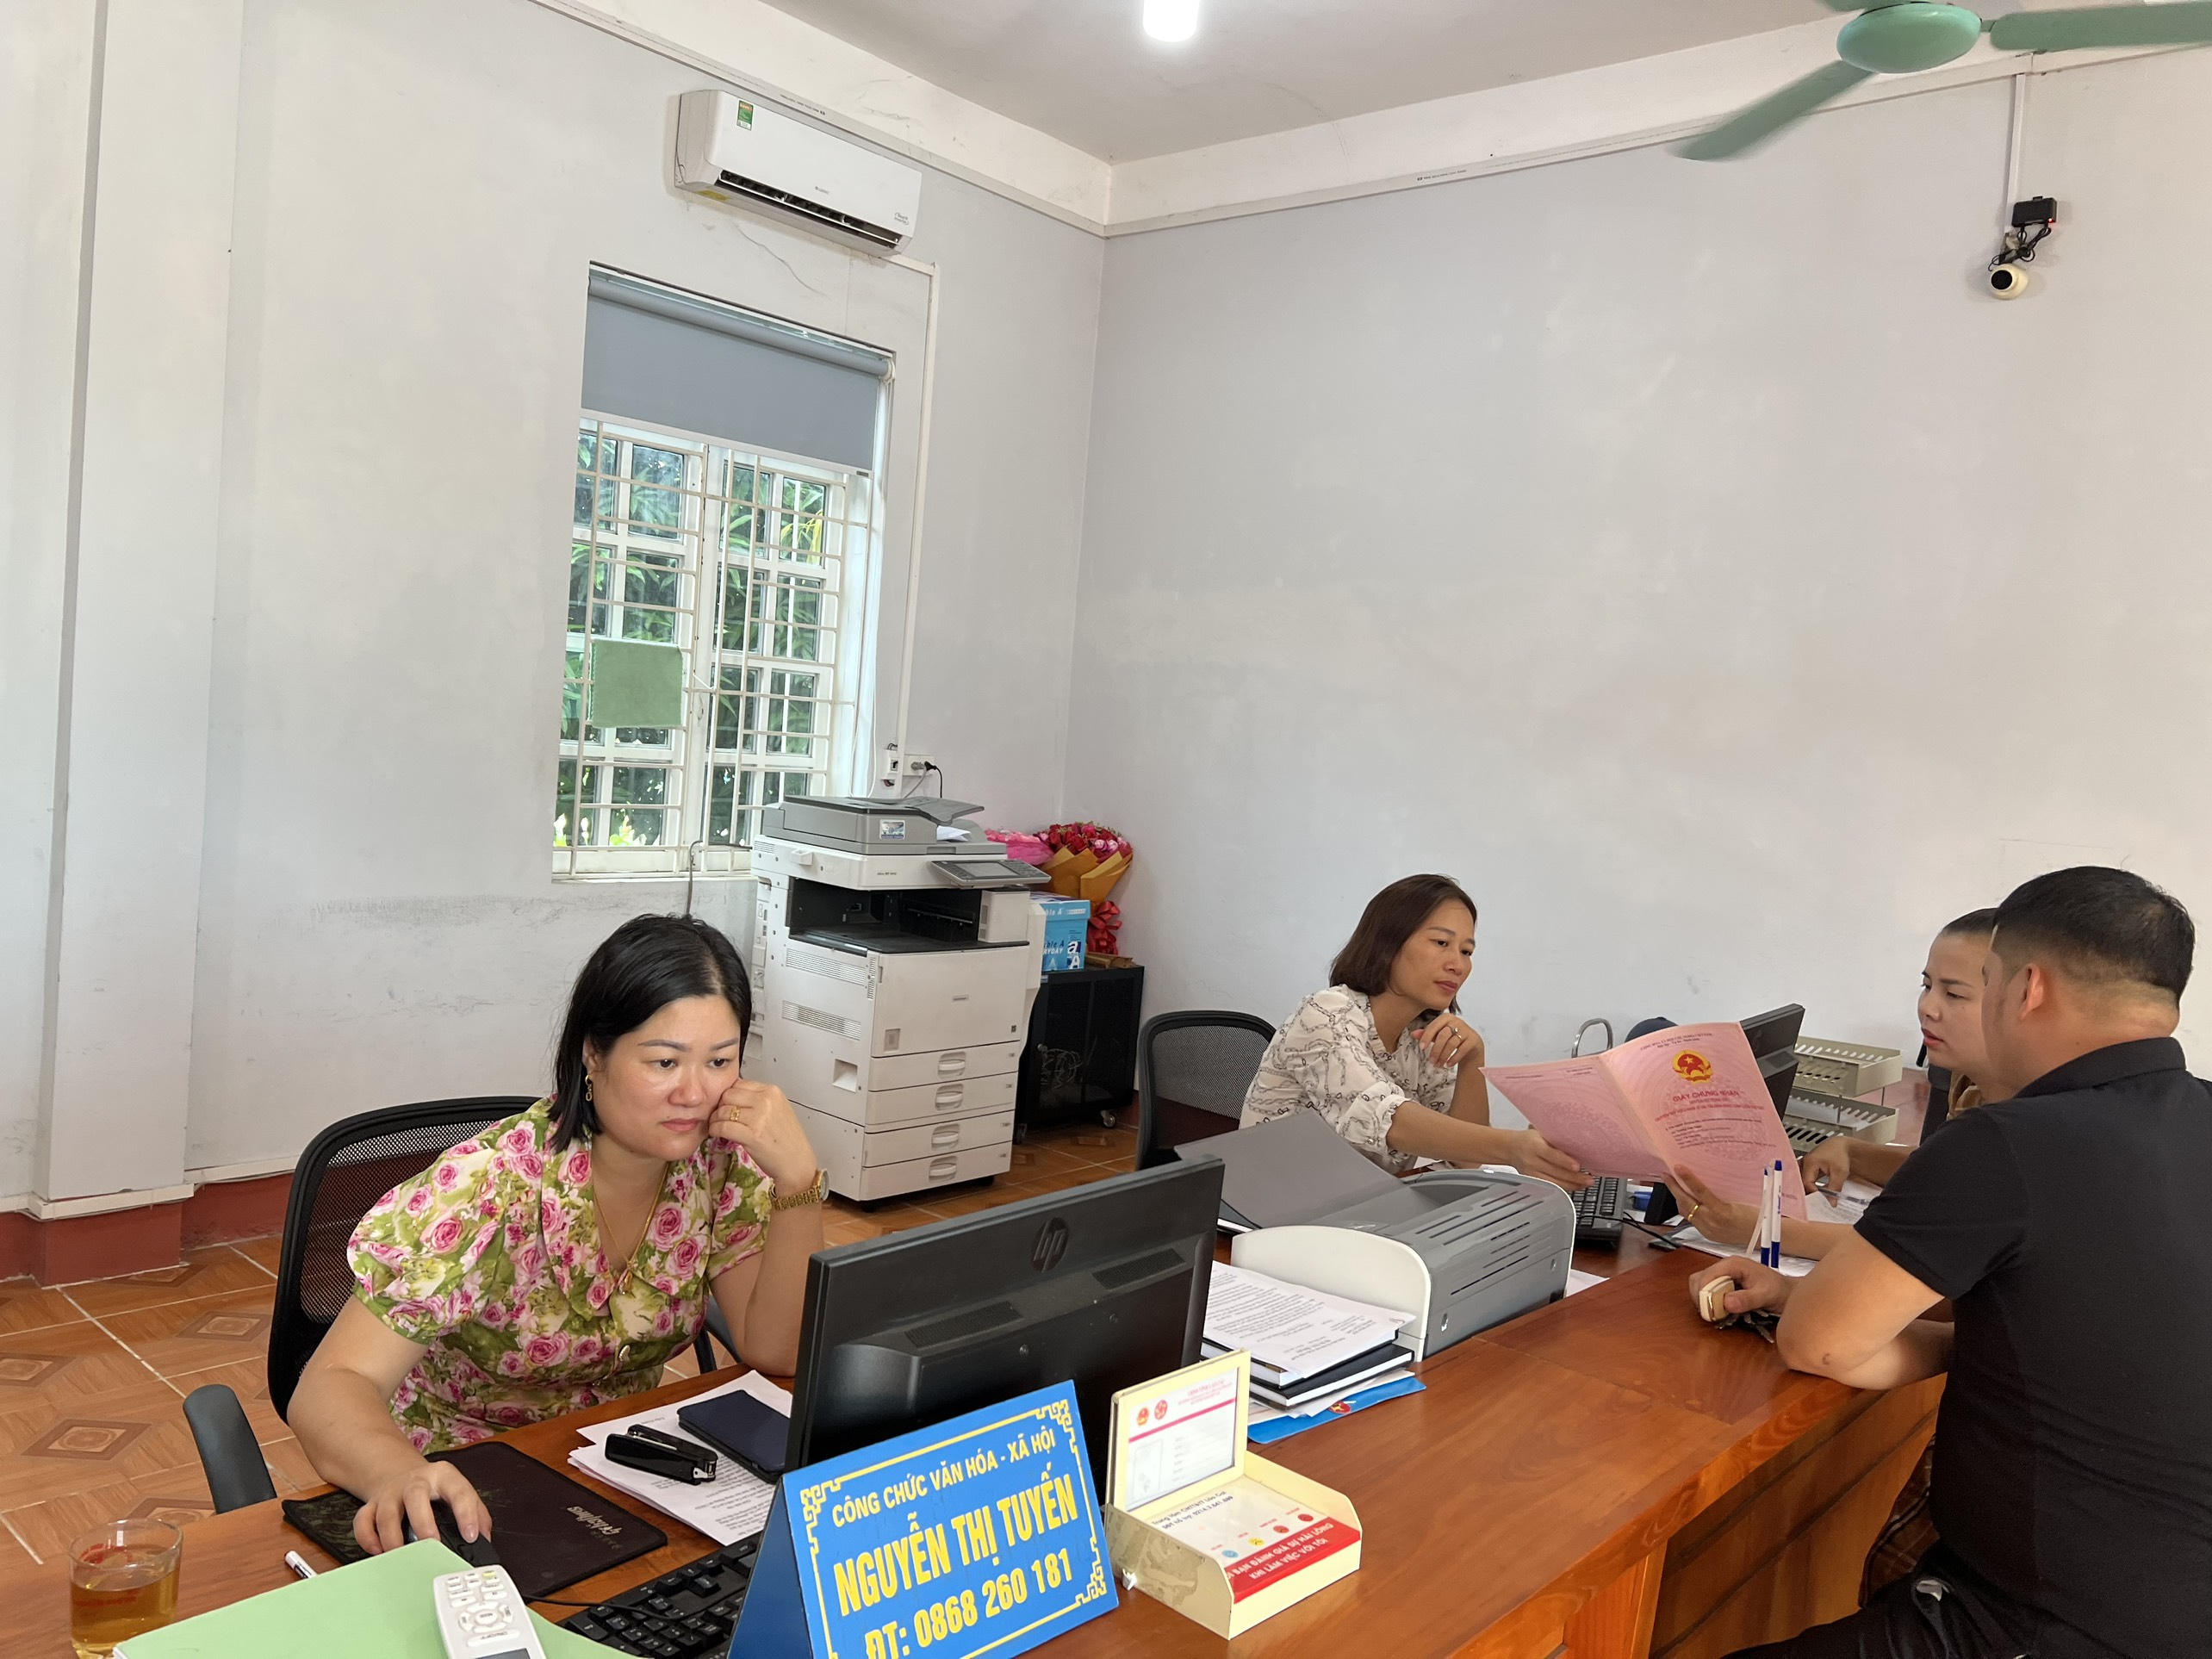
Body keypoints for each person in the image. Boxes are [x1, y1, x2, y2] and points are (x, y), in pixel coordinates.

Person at [1690, 867, 2212, 1658]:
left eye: (1980, 983)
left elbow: (1820, 1345)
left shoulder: (2008, 1142)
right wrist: (1812, 1295)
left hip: (2041, 1623)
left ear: (2026, 989)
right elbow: (2091, 1331)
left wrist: (1823, 1309)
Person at [290, 914, 826, 1556]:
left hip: (625, 1477)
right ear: (593, 1055)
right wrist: (396, 1474)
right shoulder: (486, 1189)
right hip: (461, 1490)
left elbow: (778, 1351)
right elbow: (332, 1383)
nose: (695, 1093)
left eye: (720, 1061)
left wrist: (798, 1181)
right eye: (664, 1061)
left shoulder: (720, 1164)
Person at [1671, 909, 1998, 1263]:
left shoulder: (2018, 1123)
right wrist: (1852, 1152)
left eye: (1954, 994)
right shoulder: (1970, 1082)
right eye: (1927, 986)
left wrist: (1763, 1228)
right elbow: (1946, 1172)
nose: (1927, 1007)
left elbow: (1929, 1248)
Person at [1241, 873, 1590, 1189]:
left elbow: (1465, 1159)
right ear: (1388, 942)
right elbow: (1388, 1120)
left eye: (1467, 951)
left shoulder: (1422, 1034)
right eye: (1441, 943)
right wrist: (1513, 1147)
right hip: (1269, 1209)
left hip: (1358, 1209)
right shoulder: (1325, 1013)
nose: (1458, 964)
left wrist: (1473, 1058)